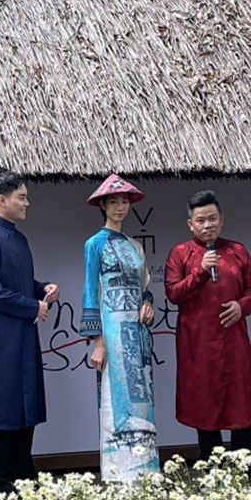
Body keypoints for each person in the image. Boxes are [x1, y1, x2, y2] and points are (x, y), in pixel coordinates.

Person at [0, 172, 60, 494]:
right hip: (0, 342)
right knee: (2, 414)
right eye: (22, 197)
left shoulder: (19, 239)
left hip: (22, 338)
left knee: (24, 411)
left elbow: (17, 285)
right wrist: (31, 306)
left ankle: (25, 480)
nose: (27, 203)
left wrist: (41, 288)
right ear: (2, 200)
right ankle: (5, 488)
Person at [164, 190, 251, 461]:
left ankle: (247, 470)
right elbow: (173, 294)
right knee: (205, 410)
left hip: (234, 343)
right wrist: (201, 272)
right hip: (198, 345)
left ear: (222, 220)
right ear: (190, 224)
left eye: (213, 219)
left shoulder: (237, 250)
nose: (208, 225)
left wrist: (242, 306)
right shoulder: (180, 254)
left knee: (240, 405)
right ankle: (214, 474)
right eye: (201, 220)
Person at [79, 174, 159, 481]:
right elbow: (90, 291)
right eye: (113, 202)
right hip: (111, 333)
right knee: (115, 399)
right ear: (103, 205)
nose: (120, 207)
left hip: (137, 334)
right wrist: (97, 341)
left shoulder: (135, 246)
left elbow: (145, 288)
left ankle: (146, 471)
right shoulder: (94, 245)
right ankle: (118, 473)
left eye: (124, 201)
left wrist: (148, 303)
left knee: (142, 398)